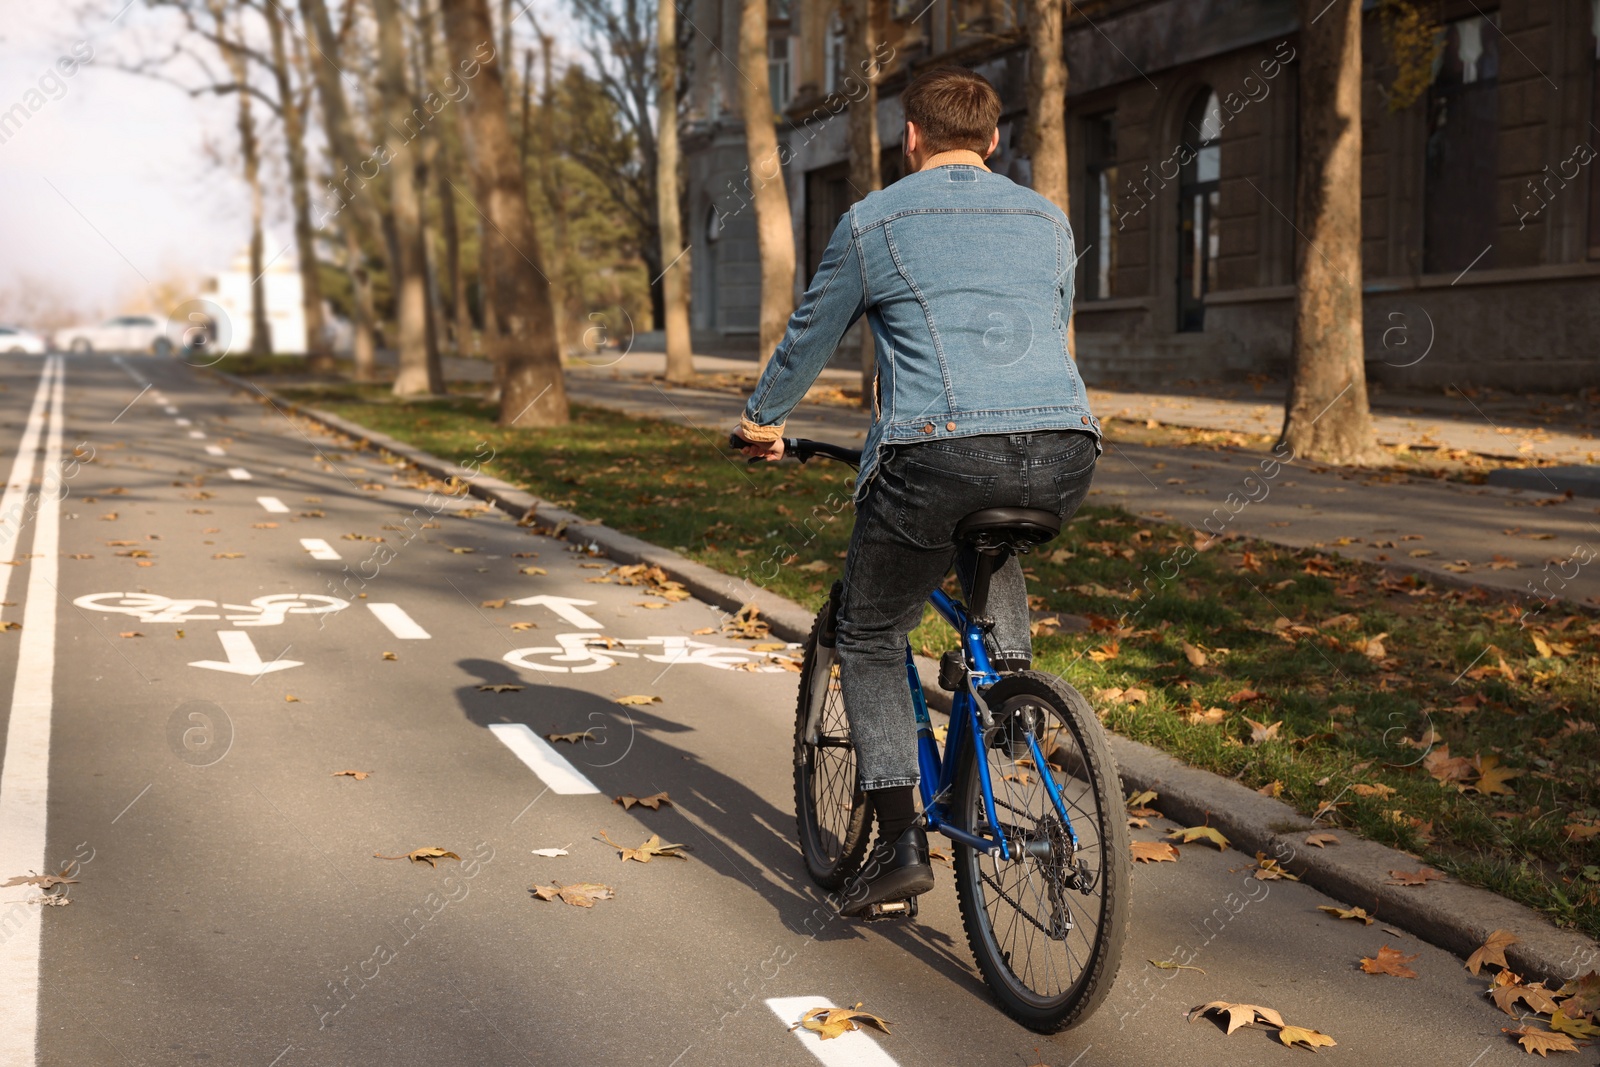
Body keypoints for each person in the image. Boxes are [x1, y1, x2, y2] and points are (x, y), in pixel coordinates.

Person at [734, 66, 1101, 915]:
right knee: (993, 531)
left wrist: (761, 420)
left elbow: (809, 334)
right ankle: (1009, 692)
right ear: (995, 139)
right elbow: (1051, 322)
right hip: (1066, 447)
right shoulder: (1049, 220)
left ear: (910, 139)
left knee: (866, 629)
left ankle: (901, 840)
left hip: (937, 452)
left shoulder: (874, 222)